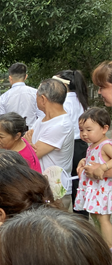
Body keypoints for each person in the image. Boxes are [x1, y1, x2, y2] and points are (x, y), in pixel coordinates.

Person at [26, 79, 75, 208]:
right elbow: (26, 143)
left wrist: (29, 143)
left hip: (55, 190)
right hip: (41, 187)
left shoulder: (61, 124)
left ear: (43, 99)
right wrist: (29, 144)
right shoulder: (41, 120)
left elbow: (33, 154)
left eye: (36, 96)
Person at [75, 108, 112, 247]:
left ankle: (109, 248)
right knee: (95, 218)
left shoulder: (105, 145)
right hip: (95, 189)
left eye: (89, 130)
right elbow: (95, 158)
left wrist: (103, 167)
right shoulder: (92, 146)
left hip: (102, 189)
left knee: (103, 219)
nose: (84, 134)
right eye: (81, 130)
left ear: (104, 129)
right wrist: (83, 161)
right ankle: (101, 244)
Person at [54, 70, 89, 216]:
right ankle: (82, 215)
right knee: (80, 180)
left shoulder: (63, 102)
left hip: (68, 144)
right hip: (82, 145)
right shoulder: (82, 101)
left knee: (66, 178)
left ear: (64, 85)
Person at [0, 62, 43, 128]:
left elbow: (1, 121)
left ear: (10, 78)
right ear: (26, 77)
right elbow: (42, 116)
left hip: (12, 132)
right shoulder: (36, 93)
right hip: (32, 132)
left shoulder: (4, 97)